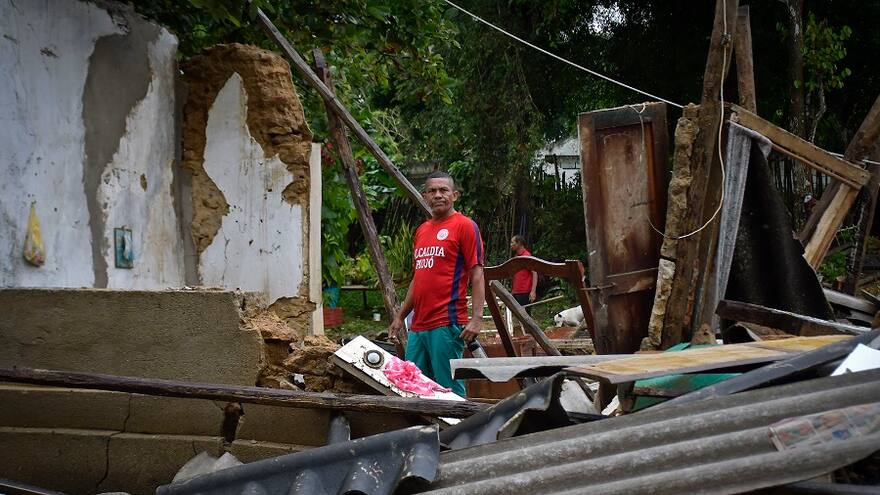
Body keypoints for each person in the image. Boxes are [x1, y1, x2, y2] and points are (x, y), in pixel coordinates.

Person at [389, 171, 484, 396]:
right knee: (412, 385)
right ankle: (426, 431)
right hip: (418, 326)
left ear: (455, 195)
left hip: (446, 322)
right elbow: (418, 279)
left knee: (448, 389)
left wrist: (477, 318)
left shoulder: (465, 226)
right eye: (432, 191)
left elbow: (477, 274)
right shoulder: (422, 231)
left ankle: (457, 431)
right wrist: (400, 316)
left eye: (443, 190)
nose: (438, 195)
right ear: (425, 197)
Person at [509, 235, 538, 313]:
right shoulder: (516, 256)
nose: (511, 244)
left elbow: (535, 273)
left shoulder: (527, 256)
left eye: (512, 242)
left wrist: (533, 291)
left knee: (526, 317)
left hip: (525, 292)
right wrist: (513, 290)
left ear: (518, 243)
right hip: (516, 292)